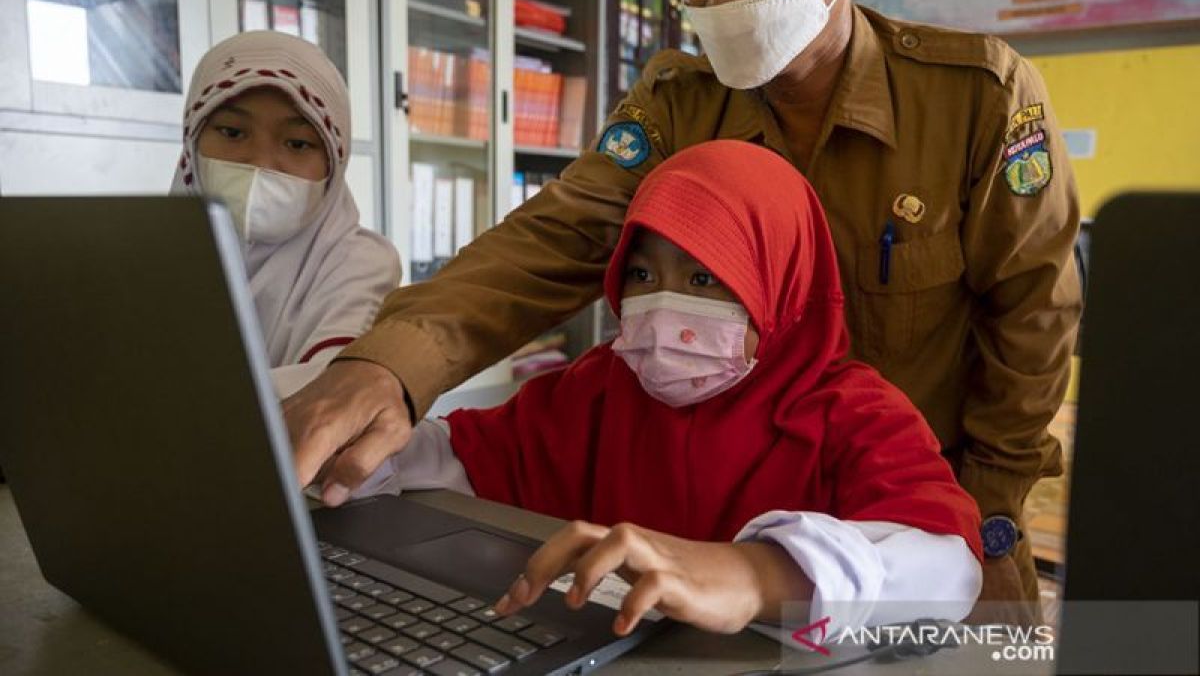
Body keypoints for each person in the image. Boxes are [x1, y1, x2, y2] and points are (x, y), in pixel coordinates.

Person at [285, 0, 1081, 610]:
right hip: (703, 533)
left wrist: (974, 525)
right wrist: (389, 367)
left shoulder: (973, 100)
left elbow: (1033, 329)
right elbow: (549, 240)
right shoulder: (677, 103)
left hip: (904, 518)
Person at [358, 140, 983, 637]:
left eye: (706, 277)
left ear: (781, 284)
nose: (664, 302)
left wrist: (757, 576)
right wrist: (354, 440)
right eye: (639, 272)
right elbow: (463, 456)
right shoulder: (597, 390)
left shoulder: (854, 412)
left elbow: (948, 566)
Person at [172, 31, 400, 398]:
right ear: (192, 143)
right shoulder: (147, 252)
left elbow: (327, 398)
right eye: (232, 132)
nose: (260, 163)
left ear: (334, 161)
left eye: (297, 144)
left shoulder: (359, 263)